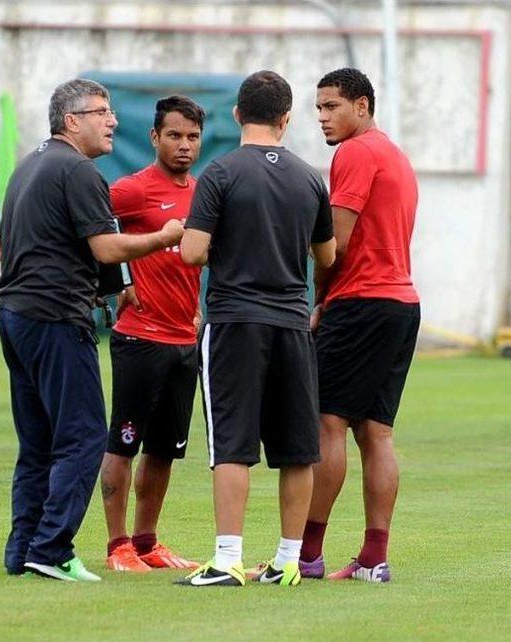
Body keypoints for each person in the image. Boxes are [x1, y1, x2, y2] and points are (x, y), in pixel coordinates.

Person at [0, 78, 184, 582]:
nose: (113, 121)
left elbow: (2, 248)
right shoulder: (77, 170)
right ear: (71, 120)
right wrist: (160, 238)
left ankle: (24, 551)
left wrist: (107, 285)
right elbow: (104, 248)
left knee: (38, 443)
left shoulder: (28, 166)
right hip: (55, 317)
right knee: (81, 440)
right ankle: (53, 547)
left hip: (15, 314)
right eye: (102, 112)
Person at [176, 70, 336, 587]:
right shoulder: (311, 177)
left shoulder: (220, 173)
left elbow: (193, 251)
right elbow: (327, 254)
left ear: (238, 115)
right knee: (297, 447)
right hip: (292, 323)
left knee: (232, 443)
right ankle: (288, 560)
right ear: (287, 119)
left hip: (235, 322)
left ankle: (227, 559)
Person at [299, 68, 420, 583]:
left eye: (333, 107)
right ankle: (375, 557)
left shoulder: (353, 152)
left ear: (362, 106)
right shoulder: (394, 153)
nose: (324, 117)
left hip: (362, 303)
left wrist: (319, 298)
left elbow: (336, 243)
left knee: (328, 425)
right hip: (402, 304)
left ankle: (305, 555)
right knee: (377, 433)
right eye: (319, 108)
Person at [101, 96, 205, 573]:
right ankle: (117, 545)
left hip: (184, 342)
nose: (184, 146)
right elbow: (86, 227)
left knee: (164, 450)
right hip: (140, 339)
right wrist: (117, 284)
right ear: (154, 138)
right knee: (123, 443)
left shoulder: (204, 193)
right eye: (175, 136)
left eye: (193, 137)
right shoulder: (134, 191)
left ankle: (146, 543)